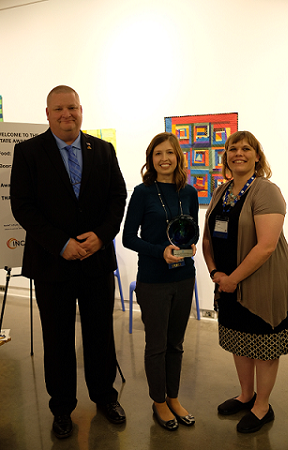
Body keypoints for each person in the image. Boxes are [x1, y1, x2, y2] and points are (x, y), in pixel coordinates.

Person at [10, 85, 127, 439]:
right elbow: (22, 206)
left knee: (100, 335)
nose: (67, 115)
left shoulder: (103, 150)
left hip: (95, 261)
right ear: (47, 113)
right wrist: (60, 244)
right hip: (52, 264)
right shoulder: (28, 151)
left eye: (72, 108)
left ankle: (105, 397)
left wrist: (102, 235)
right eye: (59, 109)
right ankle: (62, 408)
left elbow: (117, 197)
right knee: (58, 339)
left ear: (81, 110)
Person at [202, 130, 288, 433]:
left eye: (246, 148)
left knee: (263, 345)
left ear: (257, 156)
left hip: (262, 281)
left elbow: (266, 246)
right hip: (227, 280)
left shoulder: (266, 190)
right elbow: (207, 237)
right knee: (238, 339)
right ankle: (245, 395)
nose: (238, 153)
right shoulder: (222, 190)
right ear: (225, 156)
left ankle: (262, 406)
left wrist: (232, 280)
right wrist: (215, 272)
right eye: (232, 149)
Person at [122, 132, 199, 431]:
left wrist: (189, 246)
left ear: (178, 156)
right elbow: (129, 238)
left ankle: (174, 397)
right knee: (156, 344)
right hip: (153, 279)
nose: (164, 158)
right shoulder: (143, 193)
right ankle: (159, 402)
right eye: (158, 154)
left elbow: (191, 229)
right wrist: (159, 252)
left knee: (176, 344)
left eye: (169, 153)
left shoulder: (189, 193)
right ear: (150, 159)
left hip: (184, 276)